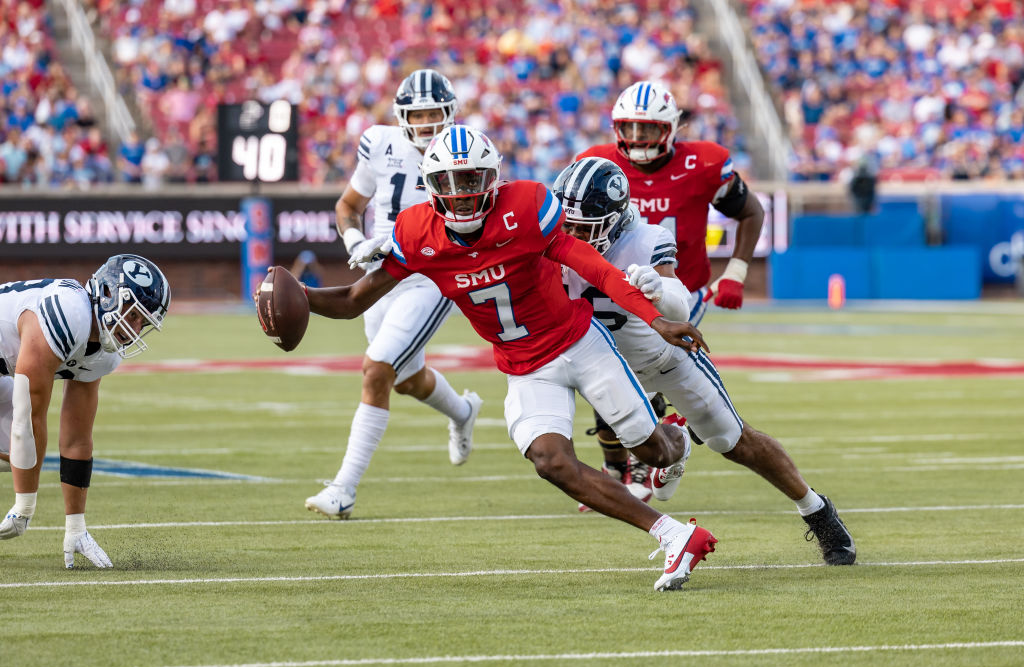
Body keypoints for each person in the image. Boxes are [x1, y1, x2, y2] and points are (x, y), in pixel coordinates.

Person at [295, 125, 719, 591]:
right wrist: (298, 295)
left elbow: (592, 265)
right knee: (550, 461)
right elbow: (354, 299)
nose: (461, 195)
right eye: (450, 183)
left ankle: (674, 440)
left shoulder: (525, 206)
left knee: (650, 449)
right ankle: (673, 534)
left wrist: (656, 320)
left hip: (580, 342)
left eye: (473, 180)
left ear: (493, 178)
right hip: (525, 366)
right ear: (430, 185)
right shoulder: (416, 234)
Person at [554, 157, 856, 565]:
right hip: (610, 369)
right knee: (650, 454)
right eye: (566, 223)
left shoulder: (645, 239)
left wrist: (658, 289)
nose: (570, 234)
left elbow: (679, 303)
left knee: (733, 440)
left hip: (664, 357)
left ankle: (816, 509)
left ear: (614, 217)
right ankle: (676, 445)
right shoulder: (548, 239)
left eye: (582, 226)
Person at [303, 70, 483, 521]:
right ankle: (462, 411)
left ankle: (343, 489)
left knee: (377, 370)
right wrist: (354, 244)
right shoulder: (379, 143)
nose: (424, 124)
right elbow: (348, 206)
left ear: (450, 115)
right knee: (404, 380)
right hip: (376, 273)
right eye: (416, 115)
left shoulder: (466, 152)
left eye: (432, 115)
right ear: (402, 116)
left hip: (429, 274)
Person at [574, 81, 767, 499]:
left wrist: (734, 270)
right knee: (602, 371)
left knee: (636, 372)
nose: (639, 138)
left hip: (680, 289)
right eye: (631, 128)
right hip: (606, 286)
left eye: (648, 129)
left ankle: (648, 463)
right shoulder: (595, 163)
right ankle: (618, 468)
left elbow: (751, 210)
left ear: (671, 128)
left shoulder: (703, 163)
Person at [0, 254, 171, 568]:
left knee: (14, 450)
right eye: (132, 314)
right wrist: (24, 505)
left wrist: (75, 525)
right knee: (20, 436)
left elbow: (77, 440)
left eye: (143, 321)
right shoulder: (68, 312)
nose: (134, 328)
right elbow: (28, 415)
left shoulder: (103, 353)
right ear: (107, 294)